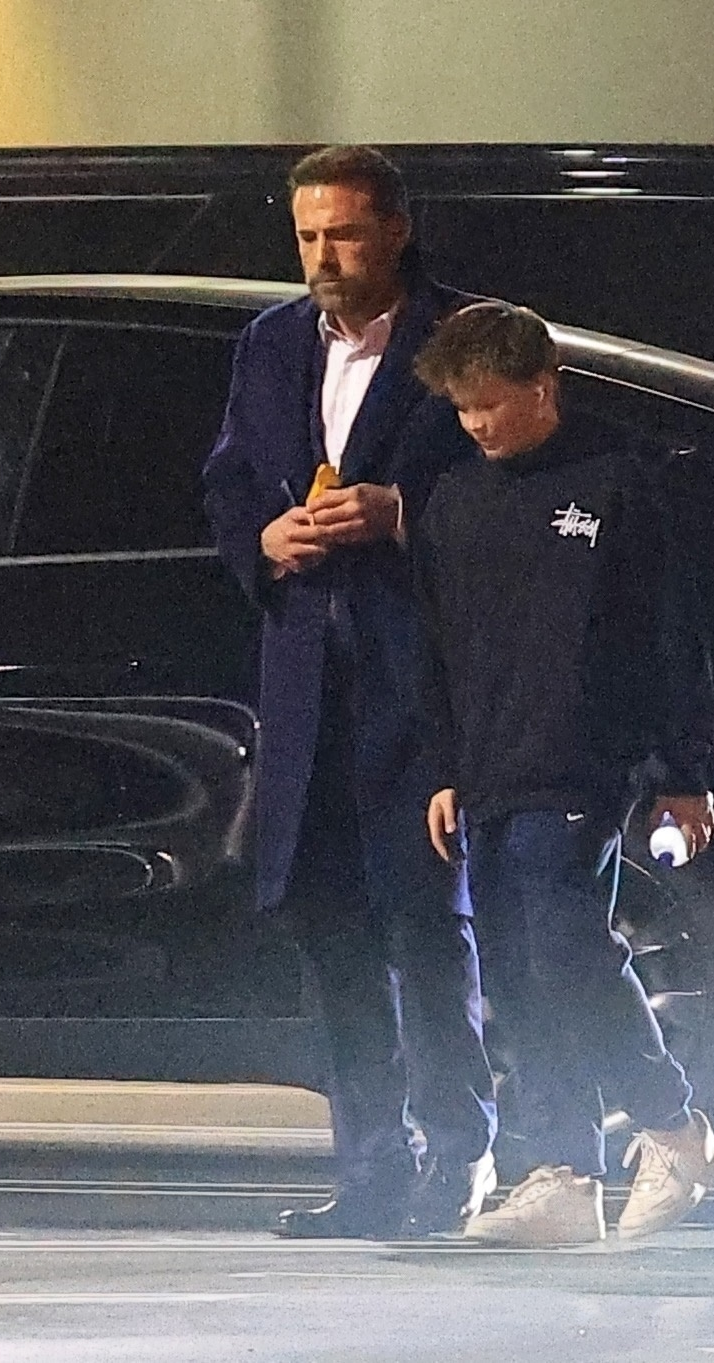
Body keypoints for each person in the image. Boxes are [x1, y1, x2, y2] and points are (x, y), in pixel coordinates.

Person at [202, 145, 496, 1239]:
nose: (324, 256)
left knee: (425, 926)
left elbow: (507, 485)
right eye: (308, 236)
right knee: (328, 928)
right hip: (305, 680)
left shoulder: (459, 335)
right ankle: (371, 1166)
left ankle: (458, 1156)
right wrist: (263, 540)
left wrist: (400, 513)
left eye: (345, 234)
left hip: (419, 678)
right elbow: (229, 480)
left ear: (396, 232)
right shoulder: (272, 342)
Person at [413, 301, 714, 1247]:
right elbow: (439, 646)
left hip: (582, 762)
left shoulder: (616, 484)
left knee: (564, 947)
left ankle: (672, 1123)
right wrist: (444, 765)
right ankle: (561, 1169)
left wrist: (682, 771)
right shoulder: (453, 499)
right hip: (488, 765)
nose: (476, 423)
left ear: (542, 387)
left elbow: (670, 635)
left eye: (490, 403)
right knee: (514, 966)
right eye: (462, 408)